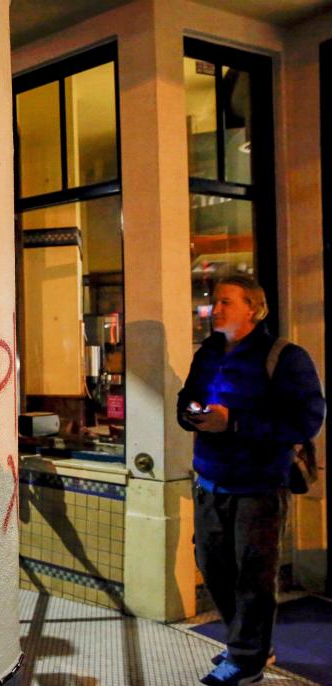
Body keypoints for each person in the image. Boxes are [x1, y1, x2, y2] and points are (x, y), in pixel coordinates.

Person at [178, 274, 324, 686]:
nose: (214, 308)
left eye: (225, 301)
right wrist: (190, 411)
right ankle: (249, 643)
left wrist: (235, 423)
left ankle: (246, 661)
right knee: (213, 566)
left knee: (253, 576)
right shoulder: (208, 352)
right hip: (209, 481)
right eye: (214, 300)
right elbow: (185, 395)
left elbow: (306, 420)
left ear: (253, 309)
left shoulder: (286, 357)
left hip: (259, 486)